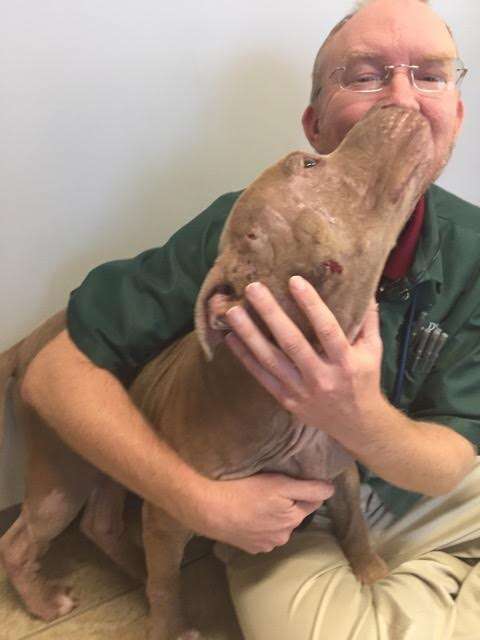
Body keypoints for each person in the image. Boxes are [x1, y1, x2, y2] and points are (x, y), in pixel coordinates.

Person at [21, 0, 480, 637]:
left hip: (404, 468)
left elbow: (452, 458)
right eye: (367, 74)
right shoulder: (252, 229)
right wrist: (202, 503)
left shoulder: (472, 248)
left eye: (430, 74)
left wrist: (350, 414)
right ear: (314, 126)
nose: (402, 98)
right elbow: (51, 374)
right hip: (282, 495)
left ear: (455, 115)